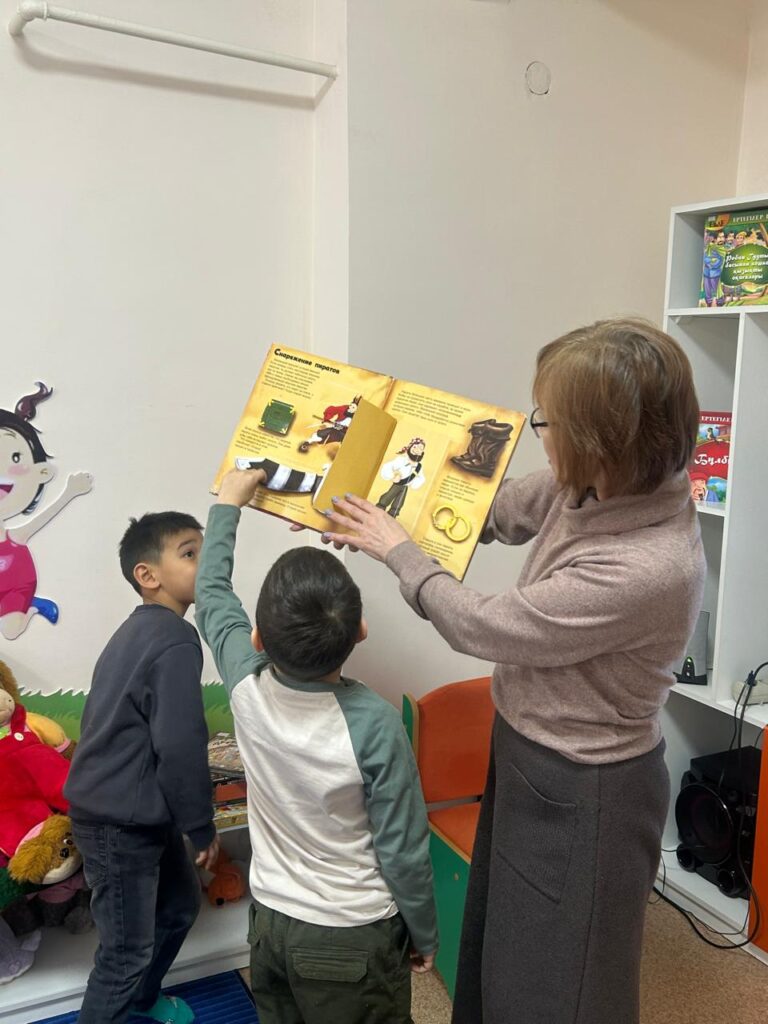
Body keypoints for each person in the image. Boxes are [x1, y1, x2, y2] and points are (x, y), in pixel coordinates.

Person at [321, 317, 706, 1024]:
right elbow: (488, 510)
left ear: (600, 440)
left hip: (591, 786)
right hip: (530, 752)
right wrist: (354, 509)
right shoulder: (592, 482)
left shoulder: (649, 566)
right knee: (503, 954)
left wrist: (397, 551)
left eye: (547, 422)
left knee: (564, 986)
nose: (540, 434)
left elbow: (484, 625)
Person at [194, 468, 438, 1024]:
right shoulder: (377, 723)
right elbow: (403, 848)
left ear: (258, 639)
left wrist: (228, 503)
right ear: (361, 631)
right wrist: (423, 931)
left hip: (271, 925)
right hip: (354, 934)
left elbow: (211, 595)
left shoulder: (245, 682)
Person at [64, 512, 218, 1024]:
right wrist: (201, 826)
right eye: (190, 553)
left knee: (178, 909)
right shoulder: (173, 638)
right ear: (148, 576)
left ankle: (142, 1001)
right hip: (117, 822)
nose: (205, 562)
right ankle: (126, 997)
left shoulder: (143, 630)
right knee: (125, 954)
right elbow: (180, 742)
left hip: (143, 810)